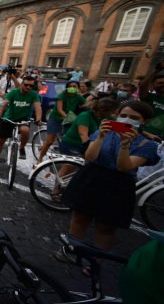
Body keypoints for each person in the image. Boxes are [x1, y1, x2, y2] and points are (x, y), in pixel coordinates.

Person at [58, 101, 159, 269]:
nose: (127, 120)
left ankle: (95, 262)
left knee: (106, 226)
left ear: (144, 122)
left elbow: (123, 166)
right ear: (117, 115)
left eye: (134, 118)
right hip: (92, 176)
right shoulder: (103, 132)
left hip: (118, 184)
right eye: (124, 115)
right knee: (80, 217)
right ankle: (71, 250)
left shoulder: (147, 145)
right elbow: (90, 156)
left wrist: (125, 145)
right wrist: (100, 137)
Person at [0, 75, 42, 166]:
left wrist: (38, 119)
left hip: (23, 119)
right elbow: (3, 105)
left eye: (31, 86)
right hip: (9, 118)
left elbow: (38, 107)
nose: (28, 87)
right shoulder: (13, 93)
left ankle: (22, 148)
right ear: (21, 84)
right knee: (1, 141)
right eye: (26, 85)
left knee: (25, 130)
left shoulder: (34, 94)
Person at [36, 80, 87, 163]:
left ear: (78, 88)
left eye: (75, 86)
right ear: (67, 87)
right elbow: (60, 110)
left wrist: (85, 104)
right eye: (70, 86)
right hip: (56, 118)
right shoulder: (62, 95)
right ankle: (40, 158)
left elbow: (86, 104)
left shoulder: (78, 97)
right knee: (50, 141)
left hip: (68, 118)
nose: (72, 88)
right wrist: (70, 119)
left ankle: (60, 152)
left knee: (67, 137)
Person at [138, 65, 164, 141]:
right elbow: (142, 86)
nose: (163, 84)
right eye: (160, 83)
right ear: (152, 85)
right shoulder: (148, 97)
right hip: (145, 134)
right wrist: (157, 70)